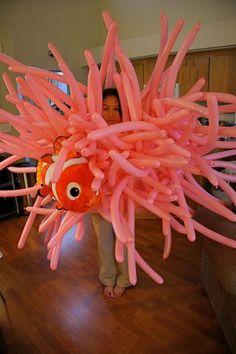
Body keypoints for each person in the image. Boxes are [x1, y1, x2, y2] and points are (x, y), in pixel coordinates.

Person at [92, 88, 131, 298]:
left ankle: (125, 279)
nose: (111, 113)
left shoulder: (129, 135)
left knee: (124, 240)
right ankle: (107, 278)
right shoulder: (90, 136)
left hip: (124, 198)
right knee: (104, 242)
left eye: (116, 109)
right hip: (100, 200)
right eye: (106, 108)